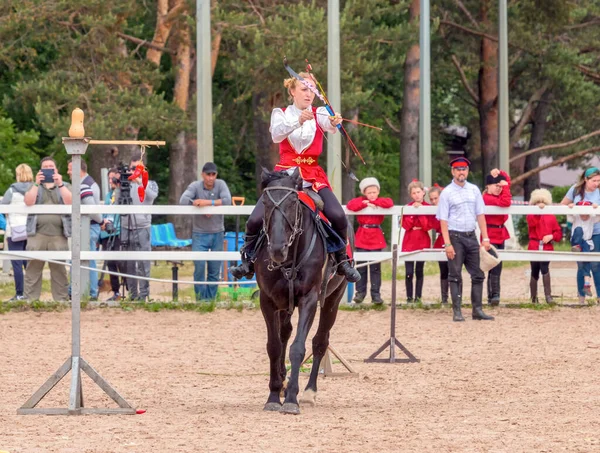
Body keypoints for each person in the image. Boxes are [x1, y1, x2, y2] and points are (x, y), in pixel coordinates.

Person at [230, 72, 360, 283]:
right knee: (255, 219)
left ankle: (342, 260)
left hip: (313, 176)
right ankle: (248, 260)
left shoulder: (320, 114)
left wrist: (336, 120)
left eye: (311, 90)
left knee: (338, 215)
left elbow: (332, 125)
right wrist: (298, 120)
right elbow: (276, 134)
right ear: (292, 91)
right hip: (284, 176)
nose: (308, 95)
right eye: (303, 89)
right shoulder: (280, 113)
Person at [436, 157, 494, 322]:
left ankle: (477, 309)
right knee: (455, 275)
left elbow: (480, 214)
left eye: (464, 169)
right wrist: (447, 243)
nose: (462, 172)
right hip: (455, 236)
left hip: (471, 235)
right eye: (458, 169)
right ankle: (457, 311)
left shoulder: (474, 190)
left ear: (467, 171)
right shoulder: (447, 192)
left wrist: (485, 237)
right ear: (453, 172)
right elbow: (443, 220)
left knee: (478, 273)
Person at [180, 162, 232, 301]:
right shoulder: (195, 186)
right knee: (199, 267)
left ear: (216, 175)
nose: (210, 177)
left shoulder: (221, 184)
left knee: (215, 270)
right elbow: (183, 200)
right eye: (207, 174)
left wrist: (208, 203)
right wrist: (197, 204)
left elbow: (228, 200)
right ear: (202, 175)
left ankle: (210, 300)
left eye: (213, 174)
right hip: (199, 233)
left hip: (217, 232)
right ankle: (200, 299)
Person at [23, 157, 73, 301]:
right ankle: (31, 300)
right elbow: (28, 201)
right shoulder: (34, 186)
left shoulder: (65, 185)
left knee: (59, 270)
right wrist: (36, 183)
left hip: (59, 234)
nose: (49, 169)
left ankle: (61, 300)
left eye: (51, 167)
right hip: (36, 233)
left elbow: (70, 202)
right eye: (45, 167)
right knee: (33, 268)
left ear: (56, 170)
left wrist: (60, 184)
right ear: (40, 170)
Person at [346, 177, 393, 304]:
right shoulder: (361, 201)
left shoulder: (380, 201)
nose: (372, 195)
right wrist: (365, 204)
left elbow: (389, 203)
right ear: (364, 193)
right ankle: (360, 293)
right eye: (369, 192)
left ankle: (376, 295)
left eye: (374, 192)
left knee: (375, 268)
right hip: (362, 235)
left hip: (376, 235)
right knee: (361, 267)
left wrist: (375, 203)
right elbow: (351, 206)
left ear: (378, 192)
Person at [121, 154, 159, 302]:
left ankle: (144, 295)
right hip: (126, 226)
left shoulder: (151, 183)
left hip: (142, 227)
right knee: (128, 262)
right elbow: (118, 201)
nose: (133, 171)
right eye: (132, 168)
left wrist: (139, 181)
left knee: (143, 262)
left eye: (137, 168)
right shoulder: (125, 185)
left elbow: (152, 196)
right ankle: (132, 294)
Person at [561, 167, 600, 303]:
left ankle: (599, 296)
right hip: (579, 230)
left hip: (596, 230)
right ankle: (581, 296)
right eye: (594, 180)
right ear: (586, 179)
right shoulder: (575, 190)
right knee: (581, 264)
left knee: (596, 264)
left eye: (599, 181)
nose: (597, 183)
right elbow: (562, 205)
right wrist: (571, 206)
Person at [68, 159, 103, 300]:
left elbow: (92, 209)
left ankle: (90, 292)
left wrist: (101, 221)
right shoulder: (89, 183)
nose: (68, 172)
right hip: (89, 226)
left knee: (87, 260)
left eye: (70, 169)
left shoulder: (86, 185)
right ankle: (84, 290)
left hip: (88, 226)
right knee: (83, 259)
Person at [1, 164, 34, 301]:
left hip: (14, 230)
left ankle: (19, 293)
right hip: (31, 229)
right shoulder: (35, 189)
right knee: (29, 264)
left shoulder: (12, 190)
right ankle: (30, 292)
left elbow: (3, 207)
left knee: (17, 263)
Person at [527, 189, 563, 304]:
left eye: (542, 202)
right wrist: (537, 212)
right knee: (534, 270)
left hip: (546, 247)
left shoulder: (551, 217)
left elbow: (558, 233)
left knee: (545, 268)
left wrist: (551, 236)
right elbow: (532, 223)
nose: (540, 205)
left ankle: (548, 296)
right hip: (534, 245)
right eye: (537, 202)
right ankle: (533, 297)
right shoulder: (531, 215)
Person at [482, 168, 512, 306]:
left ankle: (493, 295)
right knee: (493, 265)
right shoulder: (486, 198)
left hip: (500, 233)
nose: (499, 188)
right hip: (491, 234)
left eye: (500, 186)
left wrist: (501, 173)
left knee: (497, 265)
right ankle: (494, 295)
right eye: (496, 186)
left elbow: (507, 183)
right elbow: (506, 202)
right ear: (488, 186)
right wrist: (505, 187)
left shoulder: (496, 197)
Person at [401, 180, 431, 303]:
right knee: (409, 271)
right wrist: (414, 212)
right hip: (409, 239)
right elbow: (406, 225)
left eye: (418, 192)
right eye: (414, 193)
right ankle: (409, 297)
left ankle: (418, 297)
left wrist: (421, 212)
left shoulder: (428, 208)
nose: (417, 195)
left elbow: (427, 226)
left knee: (419, 270)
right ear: (411, 195)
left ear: (423, 192)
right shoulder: (408, 208)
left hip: (422, 239)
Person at [99, 167, 125, 302]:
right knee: (110, 262)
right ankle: (116, 291)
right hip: (107, 232)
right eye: (109, 178)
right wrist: (102, 224)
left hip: (119, 231)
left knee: (120, 261)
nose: (111, 181)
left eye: (113, 178)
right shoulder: (108, 195)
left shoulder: (122, 193)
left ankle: (127, 288)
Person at [569, 200, 597, 302]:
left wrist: (595, 206)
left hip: (586, 244)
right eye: (582, 212)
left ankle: (587, 283)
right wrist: (571, 206)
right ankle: (578, 246)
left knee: (585, 261)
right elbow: (569, 214)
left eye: (586, 212)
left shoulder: (593, 218)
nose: (583, 215)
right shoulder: (575, 217)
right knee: (579, 229)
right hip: (575, 242)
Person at [428, 184, 449, 304]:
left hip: (452, 239)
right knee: (443, 270)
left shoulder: (449, 207)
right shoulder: (432, 211)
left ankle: (457, 296)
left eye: (436, 198)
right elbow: (435, 226)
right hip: (440, 239)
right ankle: (444, 298)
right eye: (431, 199)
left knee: (454, 269)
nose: (434, 201)